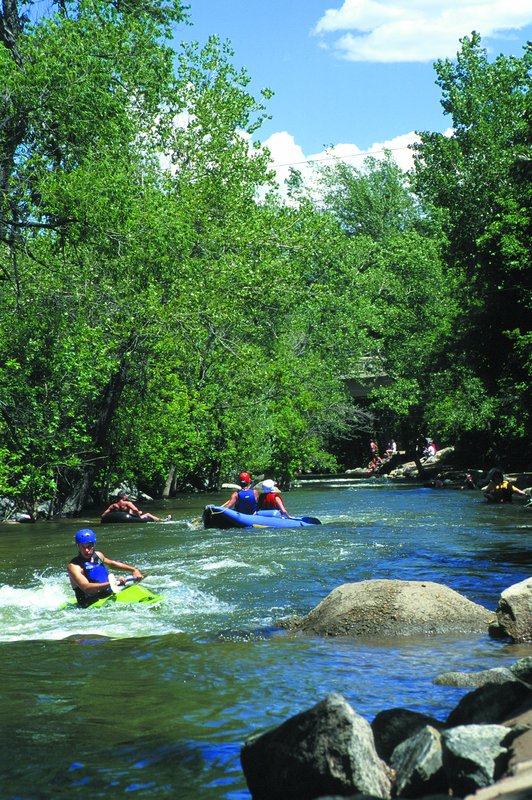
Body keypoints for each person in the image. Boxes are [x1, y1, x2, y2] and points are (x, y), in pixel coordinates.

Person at [67, 529, 145, 607]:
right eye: (83, 547)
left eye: (89, 546)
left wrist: (134, 570)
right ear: (78, 547)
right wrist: (112, 583)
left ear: (94, 545)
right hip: (88, 603)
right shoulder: (74, 566)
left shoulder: (98, 555)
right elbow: (86, 587)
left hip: (107, 594)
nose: (86, 550)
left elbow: (112, 564)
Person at [103, 490, 171, 521]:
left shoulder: (113, 505)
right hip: (128, 518)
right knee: (148, 514)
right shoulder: (127, 503)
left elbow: (104, 514)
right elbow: (135, 509)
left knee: (139, 512)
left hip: (122, 517)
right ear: (124, 497)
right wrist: (139, 516)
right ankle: (162, 520)